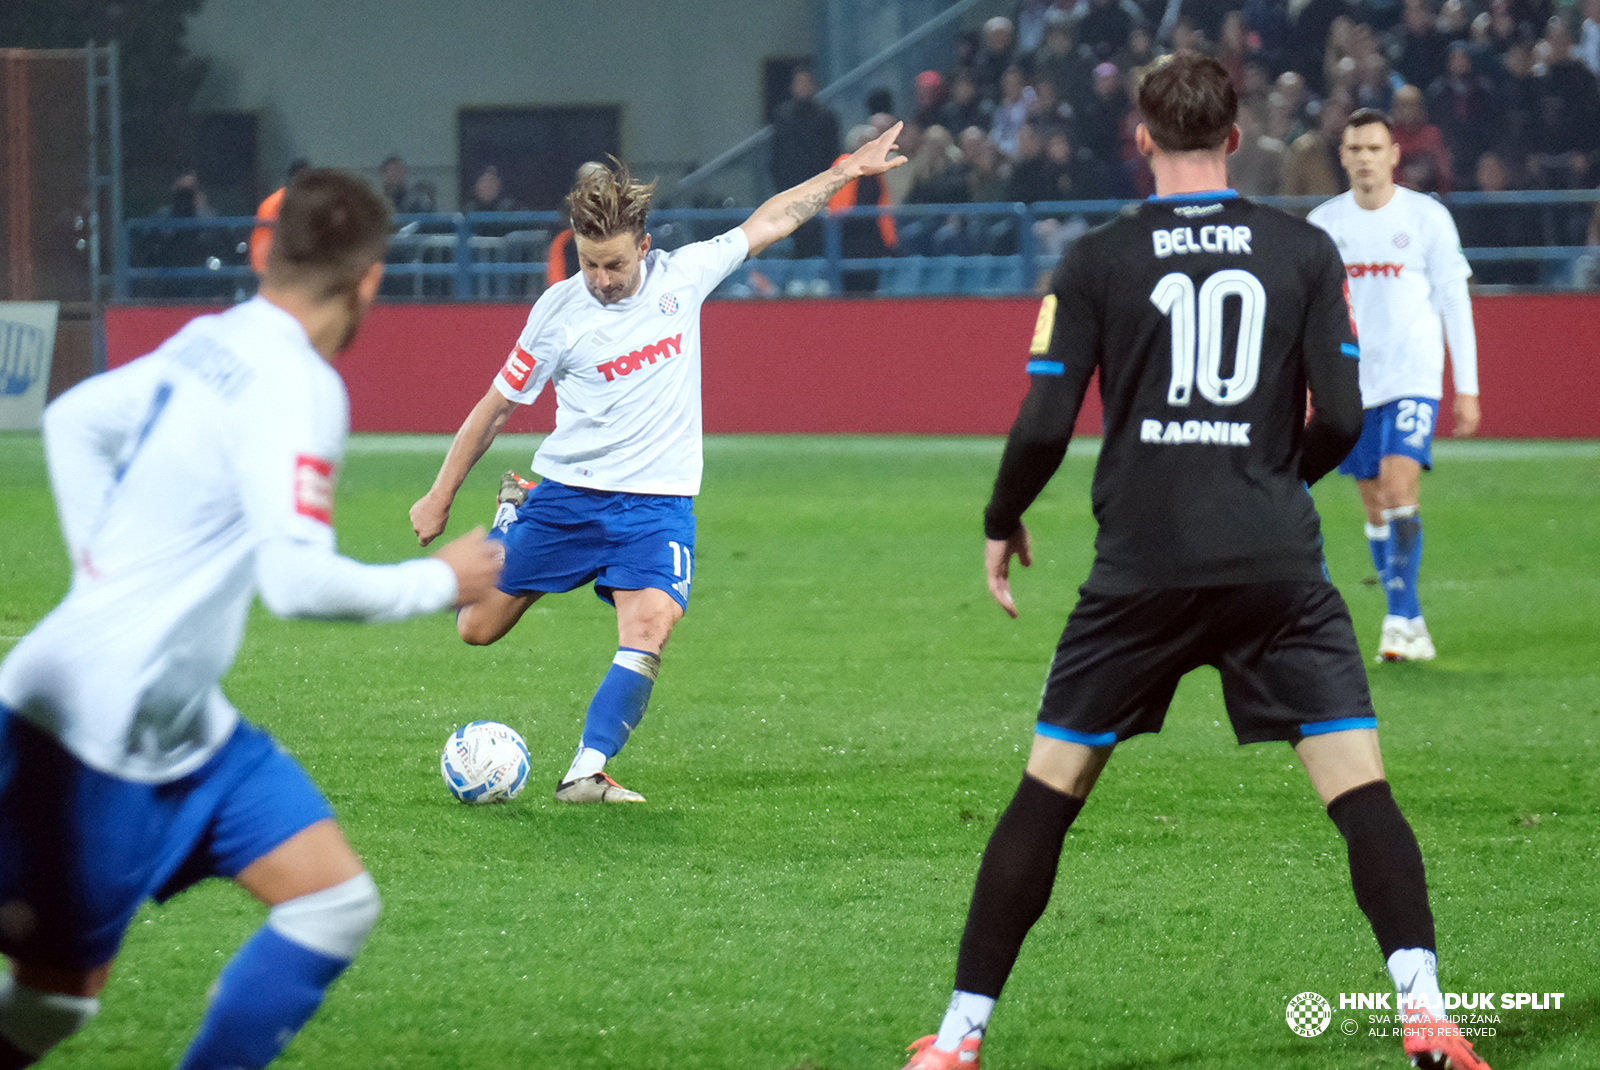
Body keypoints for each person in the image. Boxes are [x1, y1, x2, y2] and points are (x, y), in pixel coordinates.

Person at [898, 53, 1490, 1070]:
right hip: (1275, 567)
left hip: (1141, 568)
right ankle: (1427, 1013)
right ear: (1233, 137)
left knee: (1049, 792)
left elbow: (1044, 421)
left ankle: (955, 1039)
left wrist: (1003, 516)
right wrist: (1271, 485)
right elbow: (1343, 416)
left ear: (1141, 137)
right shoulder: (1302, 250)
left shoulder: (1094, 257)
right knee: (1359, 790)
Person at [0, 170, 502, 1070]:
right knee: (48, 1008)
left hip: (180, 726)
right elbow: (297, 583)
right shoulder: (300, 384)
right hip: (90, 738)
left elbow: (73, 421)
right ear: (370, 279)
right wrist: (439, 579)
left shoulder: (211, 339)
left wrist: (97, 567)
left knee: (333, 903)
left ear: (268, 251)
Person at [409, 129, 905, 804]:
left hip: (656, 506)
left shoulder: (685, 275)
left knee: (649, 628)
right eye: (589, 265)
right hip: (569, 497)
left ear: (644, 247)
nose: (602, 280)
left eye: (614, 265)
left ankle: (586, 768)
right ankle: (512, 511)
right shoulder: (558, 312)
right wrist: (439, 496)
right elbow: (495, 408)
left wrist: (848, 170)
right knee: (476, 629)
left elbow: (773, 218)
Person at [1308, 107, 1480, 662]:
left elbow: (1454, 299)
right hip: (1352, 385)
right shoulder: (1324, 226)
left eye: (1374, 149)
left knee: (1400, 490)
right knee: (1375, 507)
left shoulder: (1427, 218)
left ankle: (1401, 618)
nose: (1364, 159)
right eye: (1355, 150)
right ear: (1343, 157)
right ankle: (1408, 622)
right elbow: (1308, 314)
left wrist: (1467, 387)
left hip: (1413, 375)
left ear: (1393, 155)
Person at [771, 66, 841, 259]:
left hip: (818, 192)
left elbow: (832, 155)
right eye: (799, 83)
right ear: (792, 87)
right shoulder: (782, 116)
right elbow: (777, 156)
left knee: (818, 237)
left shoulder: (826, 118)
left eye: (806, 83)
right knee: (794, 237)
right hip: (790, 190)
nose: (803, 87)